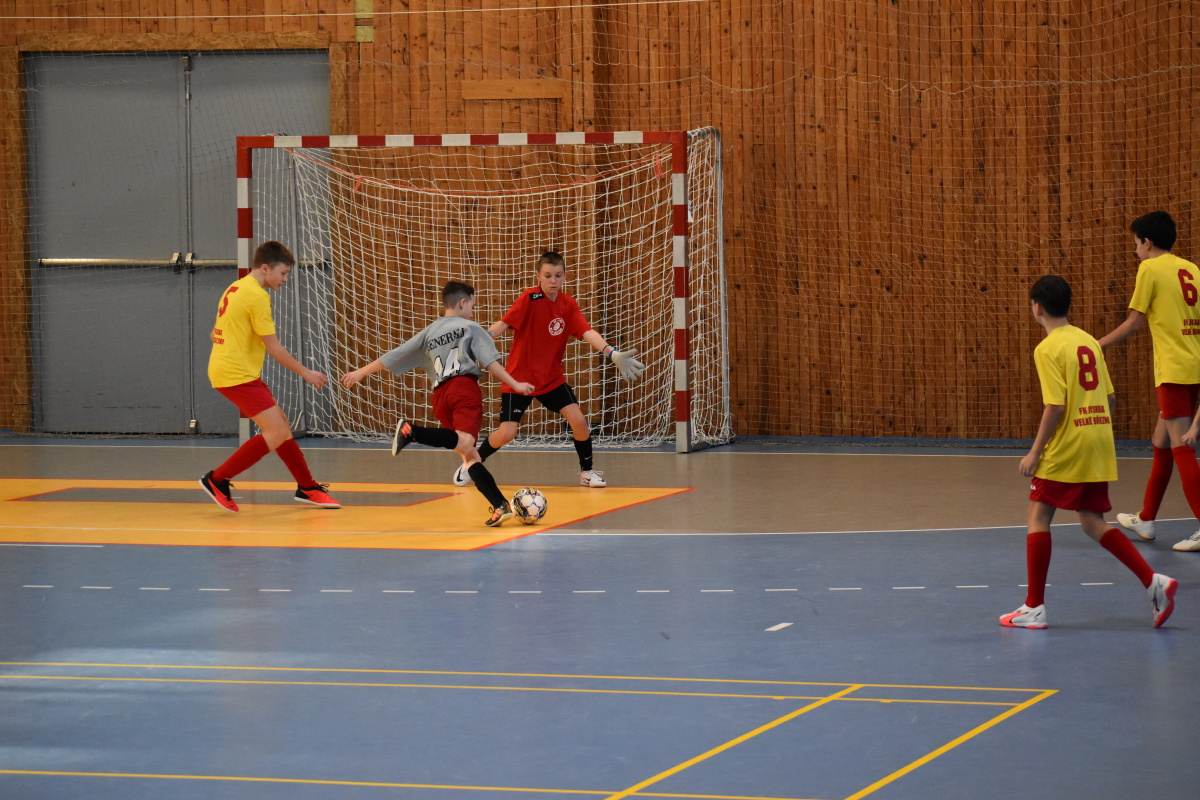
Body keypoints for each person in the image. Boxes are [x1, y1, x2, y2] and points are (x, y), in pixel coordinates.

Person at [1003, 275, 1176, 629]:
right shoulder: (1088, 341)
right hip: (1098, 440)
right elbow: (1110, 398)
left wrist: (1035, 452)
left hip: (1070, 444)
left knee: (1038, 515)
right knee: (1092, 521)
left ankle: (1034, 607)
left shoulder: (1047, 348)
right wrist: (1095, 432)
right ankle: (1153, 582)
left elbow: (1055, 405)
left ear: (1037, 308)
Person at [340, 280, 535, 527]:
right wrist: (515, 384)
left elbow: (395, 354)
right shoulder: (470, 327)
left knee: (469, 455)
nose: (472, 311)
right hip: (463, 388)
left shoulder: (430, 331)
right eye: (472, 305)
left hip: (440, 395)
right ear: (463, 303)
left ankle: (500, 505)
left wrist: (360, 372)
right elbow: (490, 362)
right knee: (466, 443)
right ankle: (412, 432)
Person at [451, 251, 646, 490]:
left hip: (551, 379)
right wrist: (484, 337)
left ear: (565, 276)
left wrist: (611, 352)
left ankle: (586, 472)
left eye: (558, 275)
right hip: (519, 379)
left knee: (579, 422)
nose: (553, 280)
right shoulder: (529, 298)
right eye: (547, 275)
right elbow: (504, 323)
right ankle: (471, 462)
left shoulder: (568, 305)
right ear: (538, 276)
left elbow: (587, 332)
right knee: (506, 433)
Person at [199, 241, 340, 513]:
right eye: (283, 273)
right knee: (275, 431)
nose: (285, 280)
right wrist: (307, 373)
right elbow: (273, 347)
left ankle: (308, 487)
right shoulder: (257, 296)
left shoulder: (236, 287)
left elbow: (214, 332)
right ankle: (217, 480)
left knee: (282, 426)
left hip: (231, 369)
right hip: (235, 374)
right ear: (265, 268)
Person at [1099, 211, 1200, 552]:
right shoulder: (1191, 269)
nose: (1135, 250)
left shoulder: (1150, 269)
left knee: (1181, 447)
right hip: (1195, 365)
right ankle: (1146, 518)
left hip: (1173, 370)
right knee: (1161, 442)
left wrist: (1098, 344)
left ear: (1147, 242)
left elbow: (1134, 322)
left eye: (1135, 243)